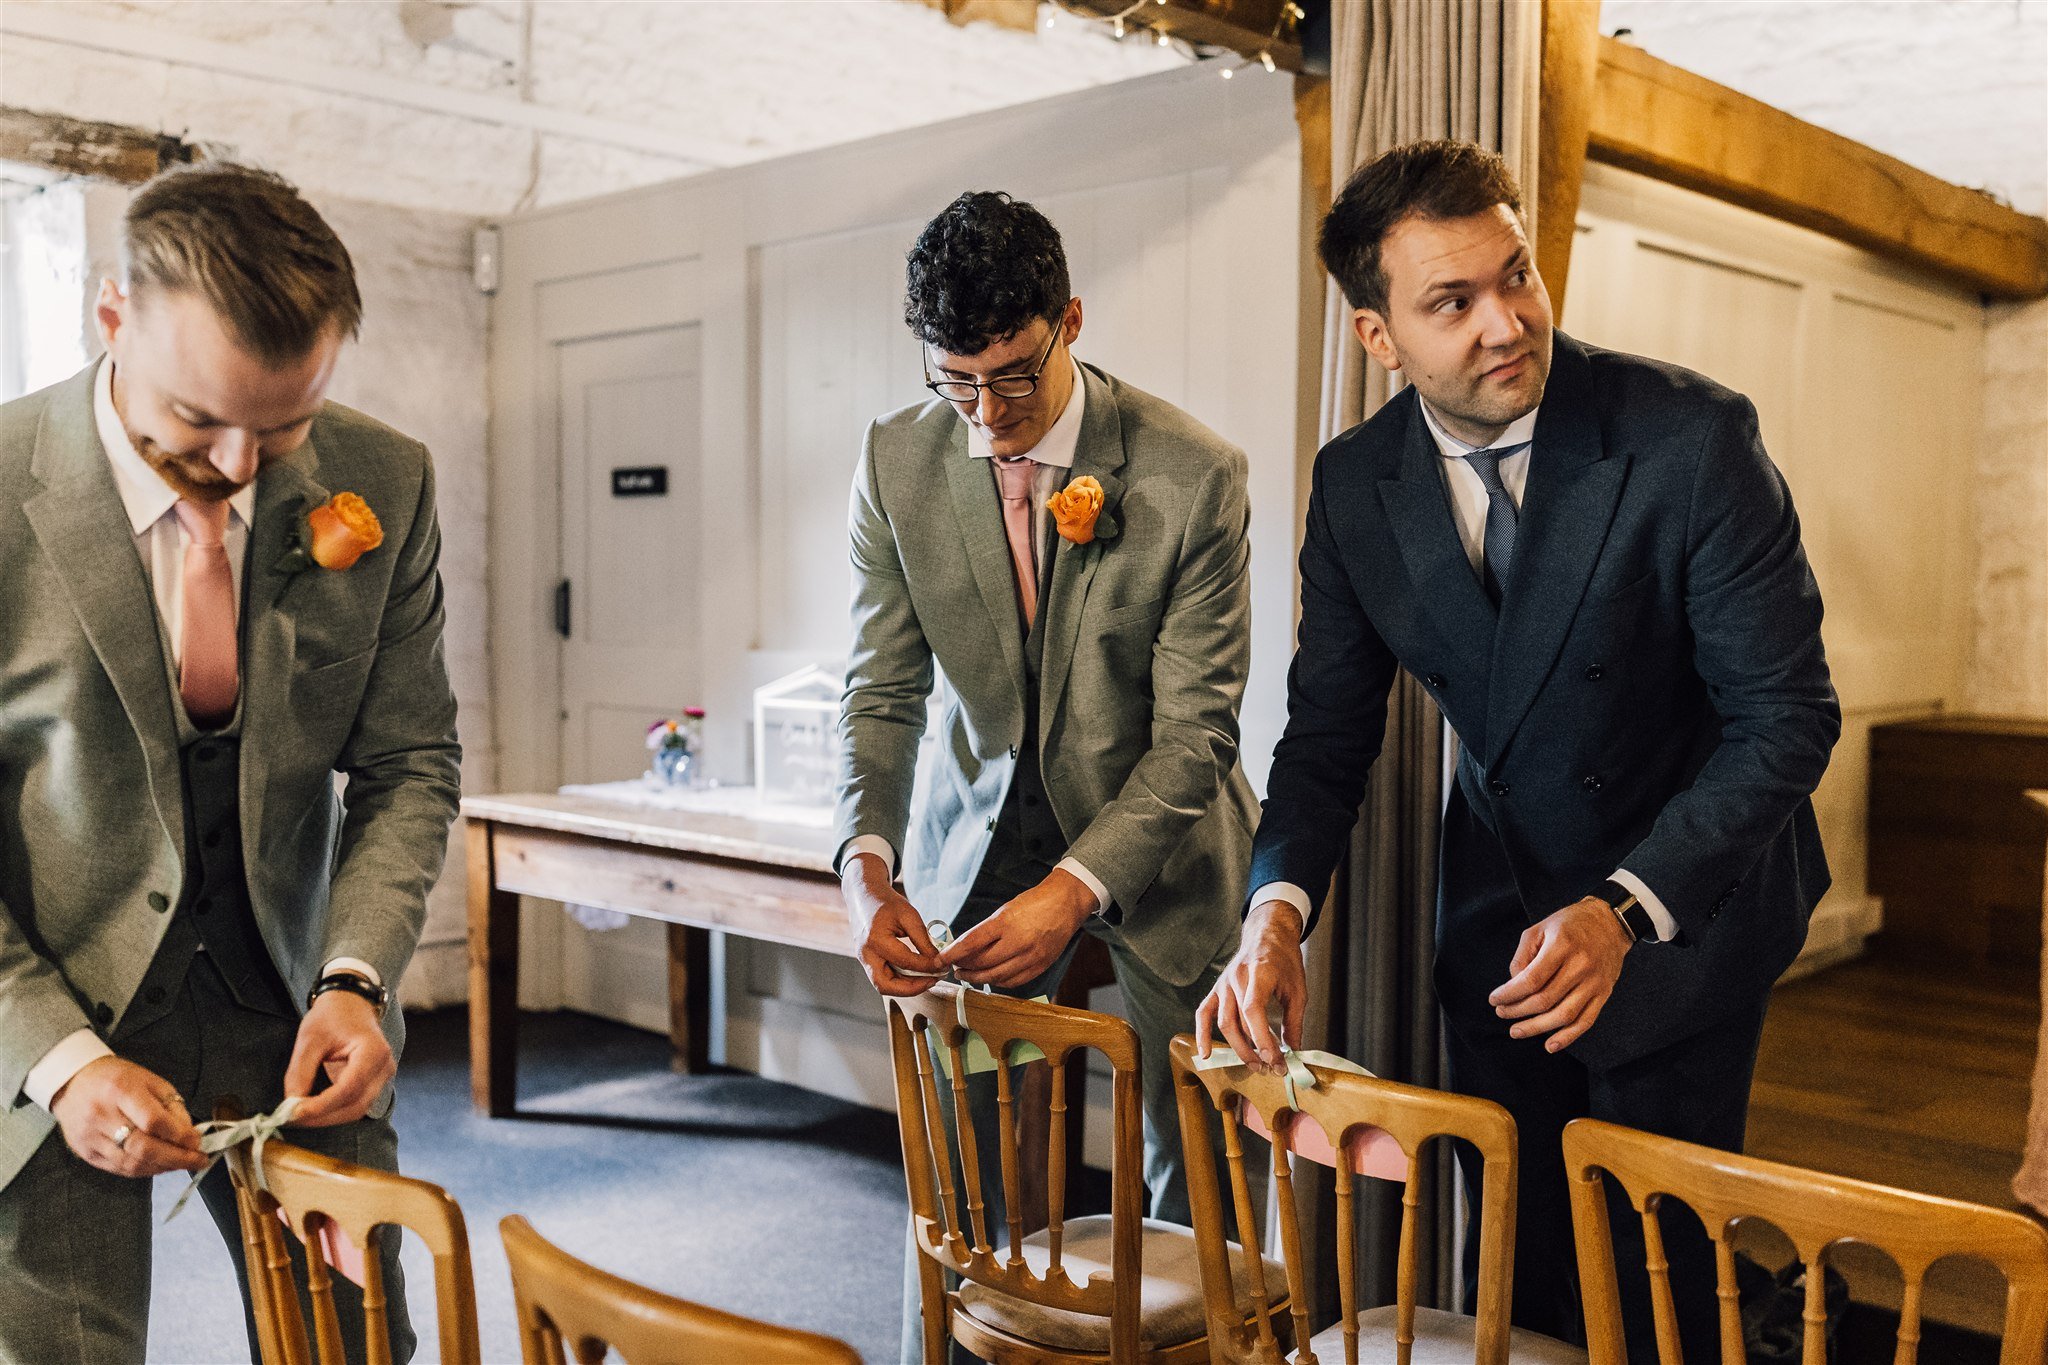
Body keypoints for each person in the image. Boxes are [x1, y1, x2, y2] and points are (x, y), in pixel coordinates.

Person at [1197, 140, 1839, 1359]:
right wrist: (1272, 916)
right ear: (1376, 335)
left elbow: (1786, 717)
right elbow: (1329, 733)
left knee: (1659, 1272)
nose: (1505, 324)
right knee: (1530, 1254)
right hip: (1497, 922)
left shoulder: (1689, 440)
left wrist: (1623, 910)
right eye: (1451, 302)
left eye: (1517, 279)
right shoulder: (1353, 486)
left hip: (1682, 905)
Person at [0, 162, 461, 1365]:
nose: (245, 467)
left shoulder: (389, 479)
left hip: (294, 1009)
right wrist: (57, 1062)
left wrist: (356, 977)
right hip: (50, 1021)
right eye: (198, 421)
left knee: (355, 1345)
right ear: (112, 320)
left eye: (286, 424)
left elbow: (409, 760)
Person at [834, 190, 1258, 1360]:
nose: (985, 415)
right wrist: (863, 870)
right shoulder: (896, 460)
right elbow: (880, 692)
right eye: (953, 382)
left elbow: (1196, 736)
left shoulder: (1191, 475)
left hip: (1158, 849)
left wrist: (1076, 889)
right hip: (977, 844)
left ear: (1067, 320)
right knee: (957, 1146)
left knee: (1196, 1150)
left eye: (1011, 378)